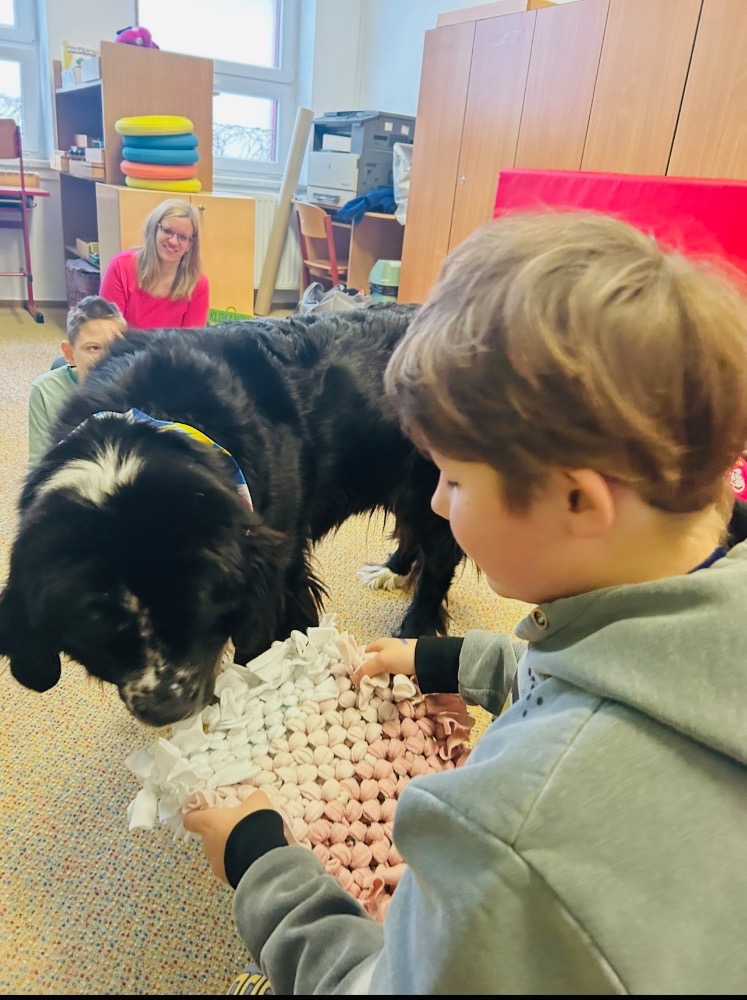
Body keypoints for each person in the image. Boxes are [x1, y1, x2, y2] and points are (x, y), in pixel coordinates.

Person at [183, 211, 747, 994]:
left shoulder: (507, 833)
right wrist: (444, 660)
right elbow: (611, 676)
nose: (436, 505)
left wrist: (260, 862)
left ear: (577, 502)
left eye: (452, 479)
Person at [28, 295, 126, 466]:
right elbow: (39, 464)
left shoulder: (134, 385)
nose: (107, 358)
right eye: (94, 348)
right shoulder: (45, 391)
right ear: (69, 353)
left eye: (115, 346)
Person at [99, 197, 209, 328]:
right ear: (154, 230)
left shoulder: (198, 284)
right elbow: (107, 329)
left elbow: (192, 339)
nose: (173, 241)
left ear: (190, 245)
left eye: (182, 237)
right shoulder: (120, 266)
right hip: (124, 342)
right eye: (167, 231)